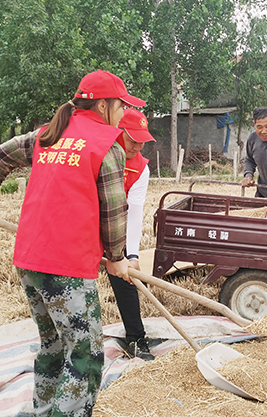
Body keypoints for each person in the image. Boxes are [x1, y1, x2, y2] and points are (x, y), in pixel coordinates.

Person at [0, 70, 145, 416]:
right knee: (85, 354)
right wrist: (116, 257)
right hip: (67, 266)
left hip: (29, 260)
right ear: (103, 104)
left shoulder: (48, 135)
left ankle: (44, 410)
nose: (122, 111)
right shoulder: (106, 143)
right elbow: (113, 208)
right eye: (120, 105)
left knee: (53, 346)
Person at [107, 108, 156, 361]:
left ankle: (136, 339)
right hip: (85, 225)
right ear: (118, 132)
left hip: (116, 227)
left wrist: (132, 255)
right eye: (132, 139)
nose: (138, 146)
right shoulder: (99, 153)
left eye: (142, 140)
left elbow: (134, 213)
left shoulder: (140, 168)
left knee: (126, 283)